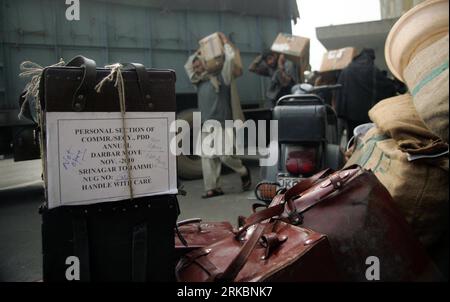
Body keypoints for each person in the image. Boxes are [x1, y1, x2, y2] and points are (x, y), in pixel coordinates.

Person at [184, 32, 251, 198]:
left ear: (207, 63)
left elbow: (229, 58)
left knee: (225, 156)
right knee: (208, 158)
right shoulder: (198, 82)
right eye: (196, 66)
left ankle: (243, 171)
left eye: (199, 64)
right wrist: (200, 51)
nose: (196, 68)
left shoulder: (223, 77)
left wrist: (226, 42)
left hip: (223, 123)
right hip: (207, 124)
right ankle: (212, 188)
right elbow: (188, 66)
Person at [334, 48, 397, 141]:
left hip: (350, 113)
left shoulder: (347, 69)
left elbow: (339, 90)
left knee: (352, 138)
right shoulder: (373, 70)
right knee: (366, 138)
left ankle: (351, 153)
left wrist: (340, 110)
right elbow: (385, 86)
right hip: (366, 114)